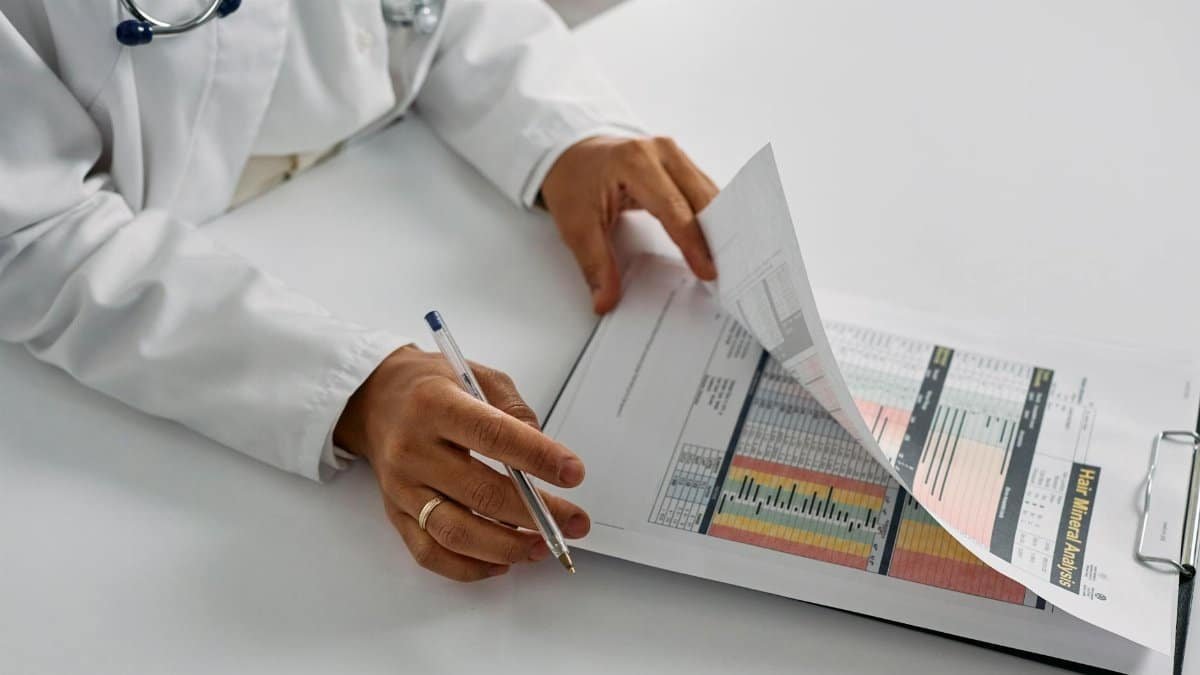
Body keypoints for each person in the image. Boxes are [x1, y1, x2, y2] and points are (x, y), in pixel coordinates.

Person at [0, 0, 719, 581]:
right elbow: (30, 230)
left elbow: (438, 15)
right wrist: (355, 388)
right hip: (128, 352)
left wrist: (566, 136)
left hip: (392, 176)